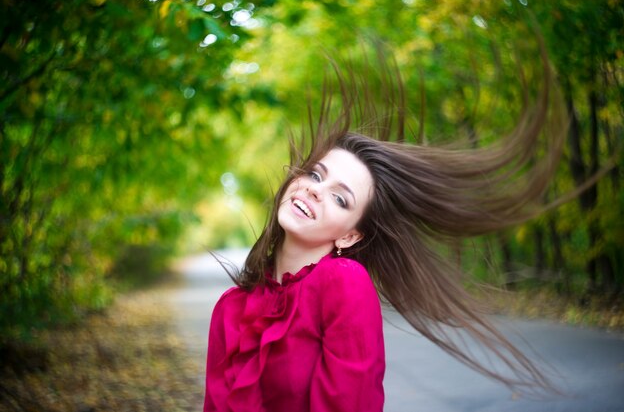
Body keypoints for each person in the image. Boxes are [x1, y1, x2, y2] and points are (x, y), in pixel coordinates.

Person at [203, 43, 566, 411]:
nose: (314, 188)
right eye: (315, 173)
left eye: (340, 198)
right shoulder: (230, 308)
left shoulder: (343, 282)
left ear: (350, 234)